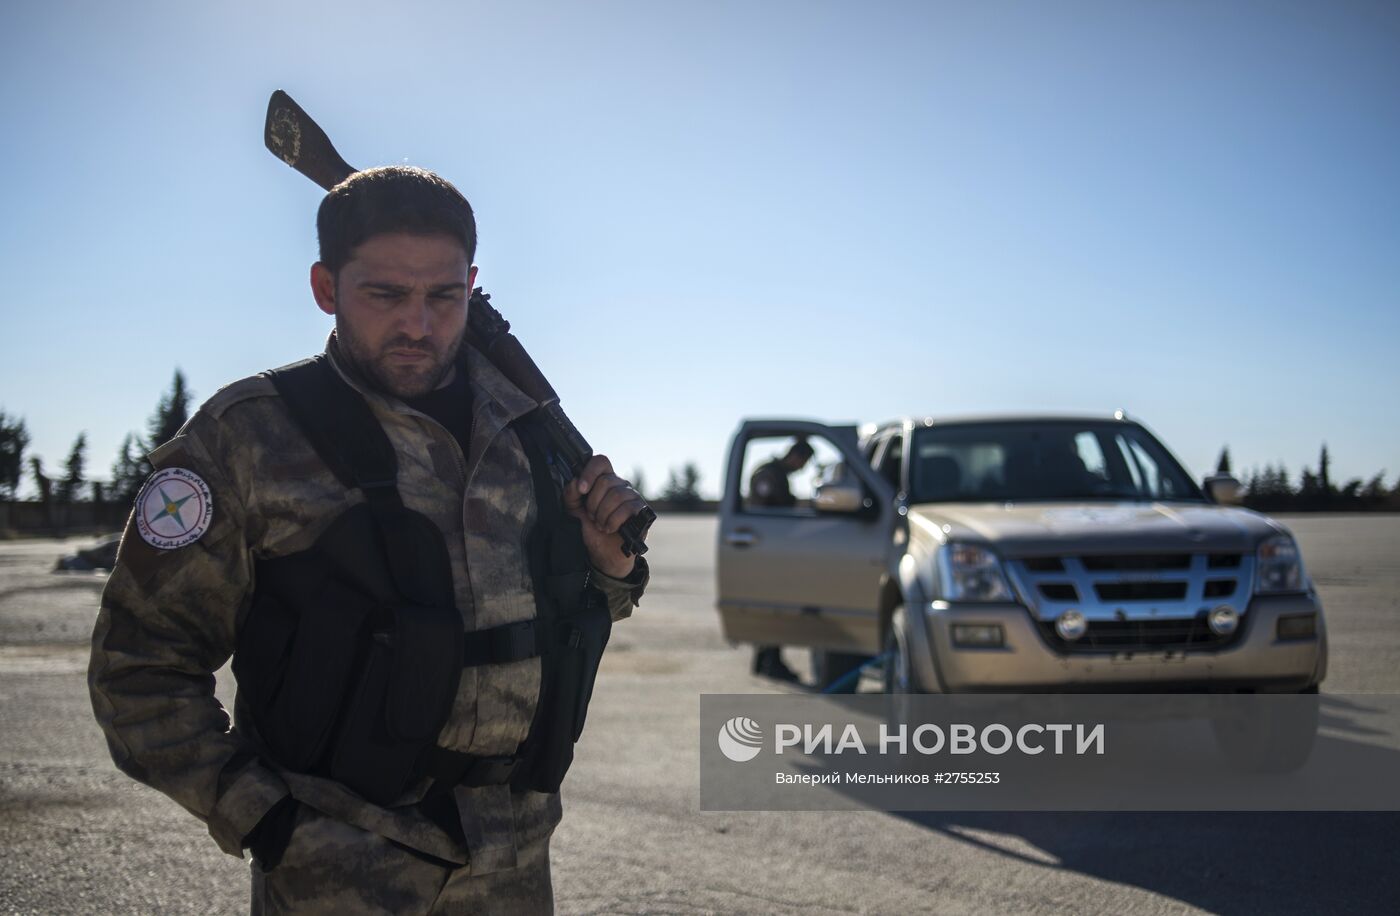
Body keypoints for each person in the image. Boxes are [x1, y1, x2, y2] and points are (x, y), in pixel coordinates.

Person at [88, 166, 650, 913]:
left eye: (443, 297)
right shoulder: (248, 437)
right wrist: (272, 823)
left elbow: (569, 611)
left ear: (473, 285)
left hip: (514, 859)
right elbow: (139, 668)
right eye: (385, 295)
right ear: (326, 288)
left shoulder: (526, 433)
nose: (418, 325)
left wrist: (608, 567)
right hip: (338, 873)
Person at [746, 438, 813, 683]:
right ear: (795, 456)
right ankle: (771, 661)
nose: (802, 468)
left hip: (771, 549)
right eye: (803, 462)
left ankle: (765, 660)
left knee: (771, 605)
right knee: (773, 606)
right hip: (767, 550)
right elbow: (767, 512)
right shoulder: (769, 475)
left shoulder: (775, 475)